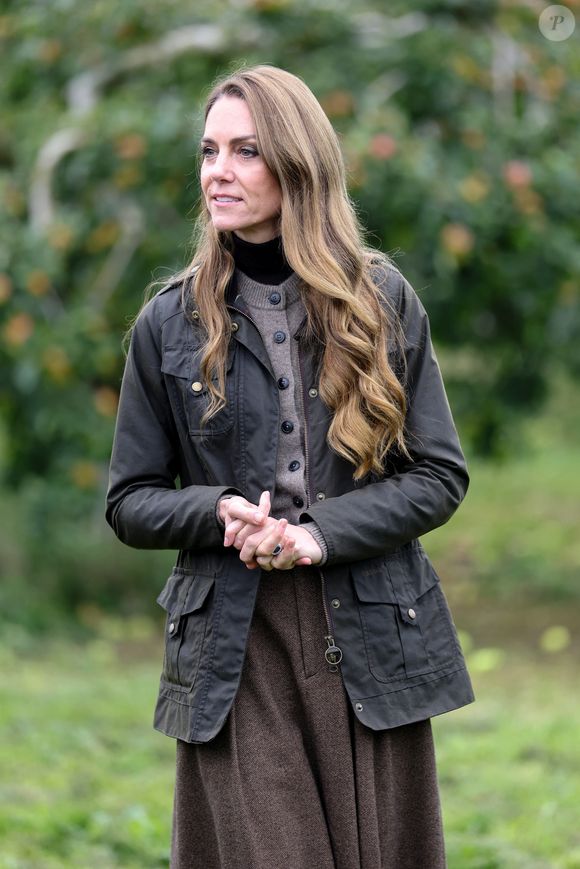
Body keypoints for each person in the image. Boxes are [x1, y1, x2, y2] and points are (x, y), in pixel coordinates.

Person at [106, 64, 474, 869]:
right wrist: (215, 510)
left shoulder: (381, 301)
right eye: (209, 151)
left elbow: (438, 475)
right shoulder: (167, 321)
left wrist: (319, 533)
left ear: (297, 164)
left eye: (246, 151)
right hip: (236, 644)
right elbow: (129, 498)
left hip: (371, 627)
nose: (218, 171)